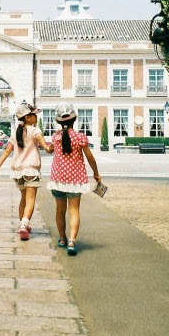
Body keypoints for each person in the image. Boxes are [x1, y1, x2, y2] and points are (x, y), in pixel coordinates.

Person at [0, 102, 53, 241]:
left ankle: (23, 223)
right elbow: (46, 148)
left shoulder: (16, 132)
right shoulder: (35, 131)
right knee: (31, 199)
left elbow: (7, 151)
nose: (36, 117)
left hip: (17, 171)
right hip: (31, 169)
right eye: (33, 115)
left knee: (23, 198)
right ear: (27, 118)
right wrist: (52, 147)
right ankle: (24, 225)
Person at [48, 103, 101, 256]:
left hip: (58, 179)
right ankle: (72, 241)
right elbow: (90, 157)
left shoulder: (56, 137)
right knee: (74, 211)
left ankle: (62, 239)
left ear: (58, 121)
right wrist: (96, 174)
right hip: (76, 180)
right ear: (75, 118)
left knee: (60, 210)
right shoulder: (80, 137)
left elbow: (50, 149)